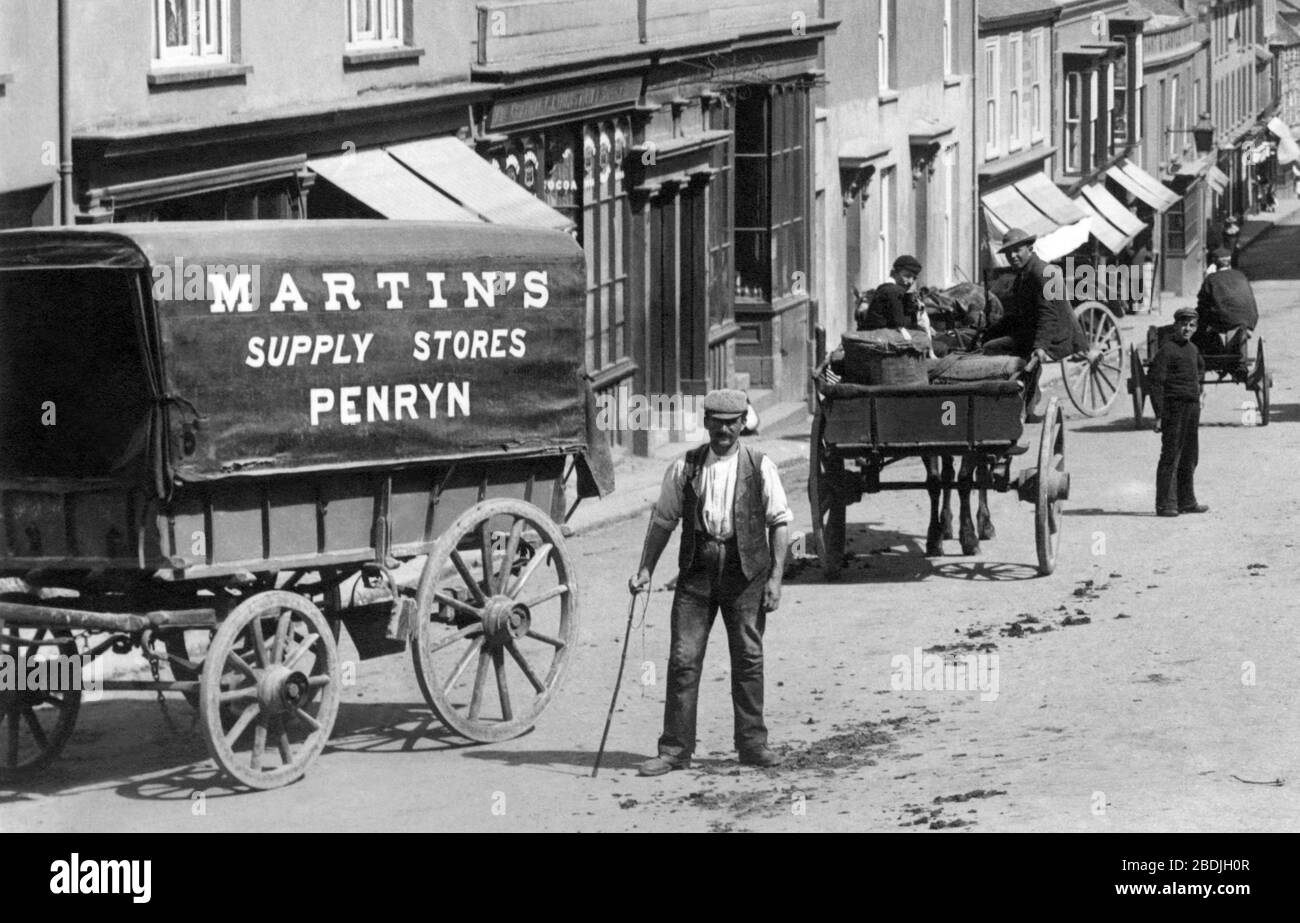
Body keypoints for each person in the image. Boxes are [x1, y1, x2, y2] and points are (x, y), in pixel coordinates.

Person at [628, 389, 793, 776]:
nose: (723, 430)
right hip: (696, 574)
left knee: (748, 659)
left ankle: (753, 745)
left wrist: (776, 579)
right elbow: (664, 520)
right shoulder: (684, 466)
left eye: (731, 422)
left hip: (746, 573)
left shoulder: (760, 465)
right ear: (705, 423)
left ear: (742, 425)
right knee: (684, 660)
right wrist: (646, 569)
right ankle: (674, 751)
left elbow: (780, 522)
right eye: (716, 422)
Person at [980, 228, 1087, 365]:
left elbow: (1048, 314)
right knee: (990, 340)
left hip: (1053, 338)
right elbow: (1018, 314)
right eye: (1008, 253)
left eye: (1017, 250)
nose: (1012, 256)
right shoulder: (1023, 274)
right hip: (1033, 330)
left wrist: (1040, 347)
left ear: (1030, 249)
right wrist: (990, 331)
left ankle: (1018, 381)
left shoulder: (1040, 273)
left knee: (992, 347)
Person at [1148, 308, 1208, 517]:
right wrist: (1159, 414)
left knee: (1190, 455)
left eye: (1191, 325)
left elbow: (1200, 369)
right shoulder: (1167, 350)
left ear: (1196, 328)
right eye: (1183, 324)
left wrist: (1200, 390)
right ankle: (1165, 504)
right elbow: (1155, 383)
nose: (1187, 329)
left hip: (1192, 408)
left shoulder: (1192, 349)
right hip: (1174, 408)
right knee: (1171, 455)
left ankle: (1187, 501)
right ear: (1175, 326)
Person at [1194, 247, 1257, 376]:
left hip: (1225, 319)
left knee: (1202, 325)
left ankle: (1213, 357)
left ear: (1214, 262)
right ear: (1230, 261)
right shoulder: (1241, 275)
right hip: (1250, 318)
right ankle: (1237, 355)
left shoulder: (1211, 279)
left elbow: (1202, 303)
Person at [859, 255, 928, 332]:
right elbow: (901, 324)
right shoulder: (893, 290)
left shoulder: (885, 288)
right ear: (893, 273)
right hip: (880, 340)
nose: (910, 282)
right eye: (907, 276)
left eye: (914, 278)